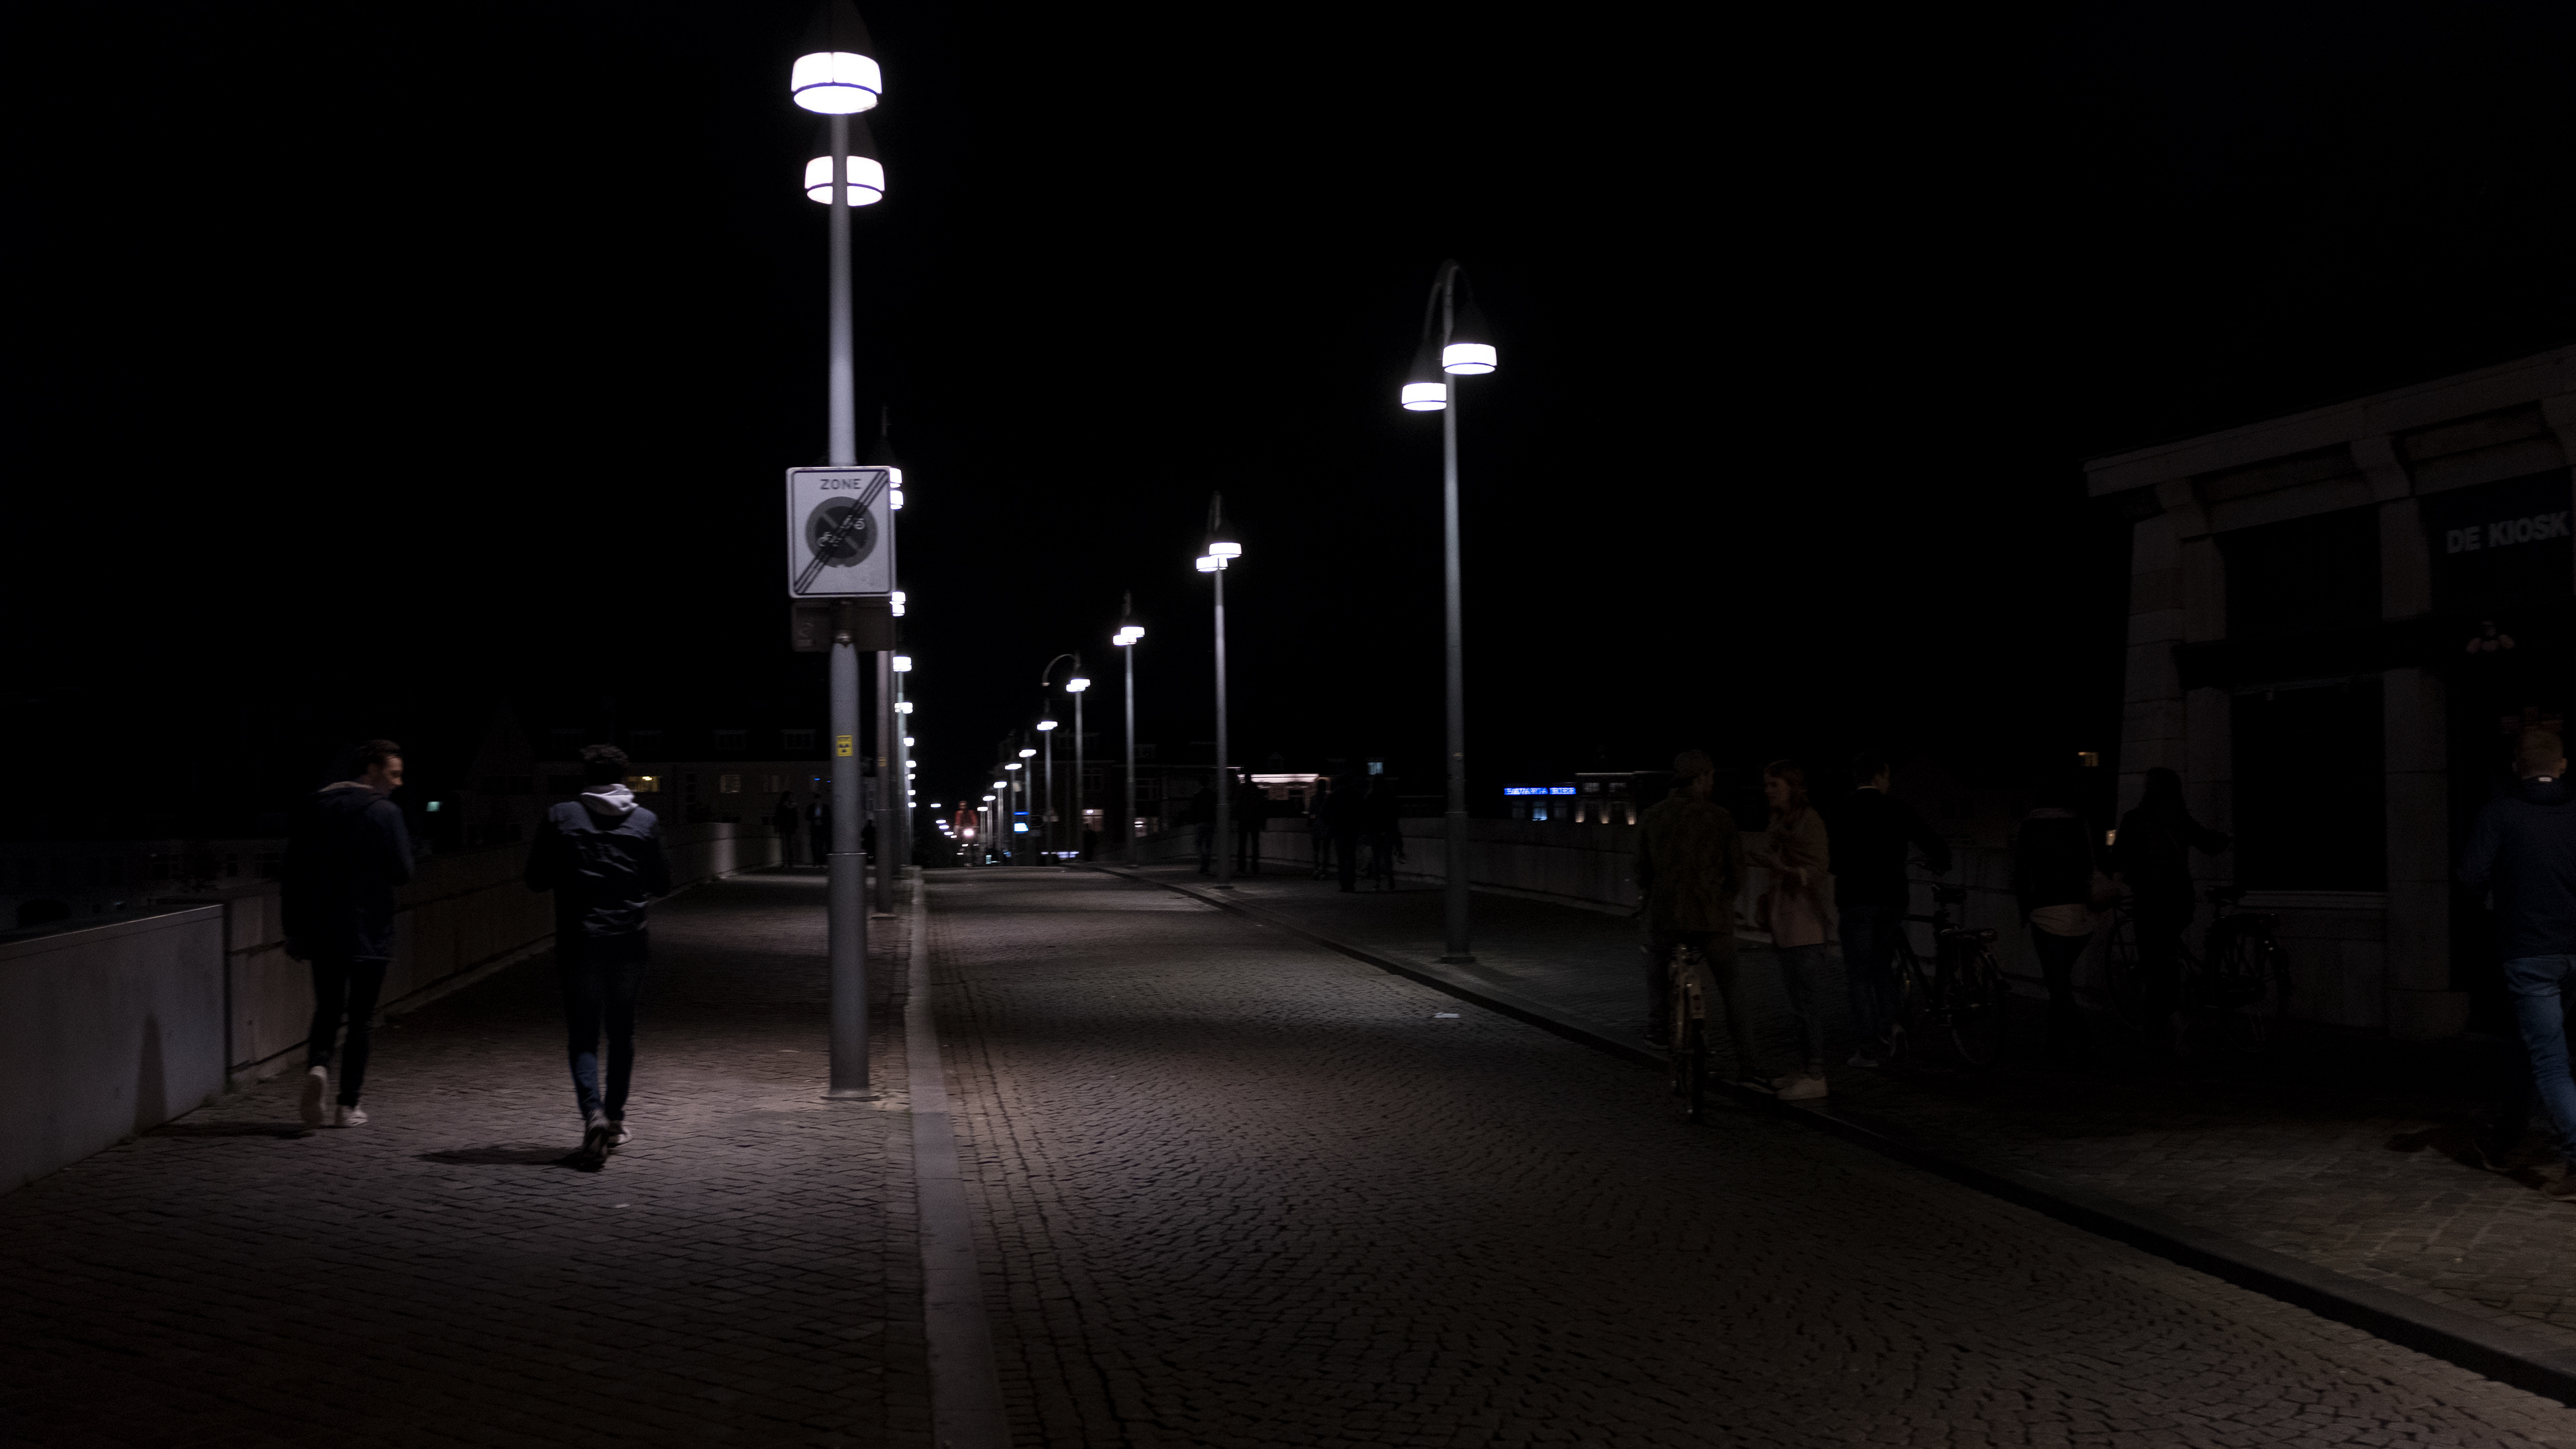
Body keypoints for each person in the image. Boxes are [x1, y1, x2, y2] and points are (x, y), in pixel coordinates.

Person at [525, 744, 672, 1168]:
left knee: (584, 1034)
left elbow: (535, 879)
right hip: (629, 941)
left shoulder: (561, 817)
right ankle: (616, 1119)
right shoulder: (645, 821)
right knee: (622, 1032)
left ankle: (593, 1113)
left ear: (585, 777)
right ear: (624, 778)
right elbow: (662, 883)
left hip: (580, 940)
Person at [2456, 728, 2576, 1202]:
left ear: (2515, 768)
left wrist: (2504, 894)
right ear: (2561, 766)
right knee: (2534, 1045)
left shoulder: (2501, 813)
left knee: (2549, 1059)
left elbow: (2470, 876)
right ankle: (2505, 1136)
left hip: (2530, 951)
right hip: (2574, 949)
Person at [280, 739, 416, 1130]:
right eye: (393, 774)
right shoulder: (385, 812)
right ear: (370, 770)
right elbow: (403, 872)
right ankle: (348, 1105)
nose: (398, 783)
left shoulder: (315, 808)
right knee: (361, 1019)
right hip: (369, 930)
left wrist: (294, 930)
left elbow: (293, 875)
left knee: (327, 1008)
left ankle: (319, 1066)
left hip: (322, 929)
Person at [1635, 750, 1765, 1087]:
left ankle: (1658, 1027)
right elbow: (1737, 873)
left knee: (1655, 957)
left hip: (1665, 916)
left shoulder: (1652, 816)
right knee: (1732, 987)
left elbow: (1641, 871)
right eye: (1710, 777)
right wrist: (1721, 901)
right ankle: (1749, 1066)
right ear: (1701, 778)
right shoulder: (1720, 818)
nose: (1712, 784)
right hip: (1711, 918)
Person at [1829, 750, 1951, 1066]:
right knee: (1882, 967)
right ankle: (1893, 1025)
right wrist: (1941, 862)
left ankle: (1868, 1047)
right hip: (1892, 899)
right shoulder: (1898, 809)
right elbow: (1935, 845)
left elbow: (1831, 860)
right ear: (1880, 776)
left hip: (1856, 900)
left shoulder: (1841, 811)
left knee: (1858, 974)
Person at [2112, 766, 2231, 1057]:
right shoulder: (2180, 818)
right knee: (2161, 958)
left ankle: (2176, 1023)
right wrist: (2225, 838)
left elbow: (2117, 859)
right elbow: (2209, 844)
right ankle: (2151, 1031)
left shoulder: (2134, 819)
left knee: (2155, 964)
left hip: (2151, 900)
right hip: (2180, 899)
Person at [1748, 759, 1833, 1099]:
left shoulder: (1809, 823)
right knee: (1797, 1004)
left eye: (1775, 785)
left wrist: (1779, 866)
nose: (1768, 791)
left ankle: (1816, 1075)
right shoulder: (1779, 823)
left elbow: (1817, 870)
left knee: (1808, 1003)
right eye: (1766, 784)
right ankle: (1804, 1067)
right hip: (1786, 923)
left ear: (1792, 787)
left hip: (1806, 924)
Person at [2014, 773, 2105, 1064]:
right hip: (2082, 913)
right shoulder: (2080, 824)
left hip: (2047, 912)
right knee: (2060, 980)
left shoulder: (2030, 827)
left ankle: (2082, 1040)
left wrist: (2024, 909)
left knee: (2057, 984)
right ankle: (2055, 1046)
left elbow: (2020, 872)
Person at [1364, 777, 1403, 890]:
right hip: (1389, 829)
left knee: (1376, 857)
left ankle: (1377, 881)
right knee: (1387, 857)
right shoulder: (1390, 796)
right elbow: (1396, 813)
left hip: (1375, 831)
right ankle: (1390, 879)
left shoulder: (1370, 797)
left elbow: (1366, 815)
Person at [1330, 775, 1367, 892]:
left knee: (1341, 859)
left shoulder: (1334, 795)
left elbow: (1325, 813)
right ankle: (1351, 883)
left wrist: (1333, 825)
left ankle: (1344, 884)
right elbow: (1363, 812)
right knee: (1351, 856)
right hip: (1352, 830)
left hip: (1339, 831)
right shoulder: (1356, 794)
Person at [1232, 775, 1268, 875]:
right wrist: (1263, 823)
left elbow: (1237, 806)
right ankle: (1255, 866)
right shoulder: (1257, 791)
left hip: (1243, 821)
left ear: (1245, 779)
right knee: (1255, 844)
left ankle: (1242, 867)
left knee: (1242, 844)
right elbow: (1263, 807)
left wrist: (1237, 818)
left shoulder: (1241, 790)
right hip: (1255, 821)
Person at [1185, 782, 1218, 875]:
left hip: (1200, 822)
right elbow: (1215, 808)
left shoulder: (1197, 795)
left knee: (1199, 844)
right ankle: (1206, 865)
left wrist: (1193, 820)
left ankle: (1203, 863)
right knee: (1208, 845)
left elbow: (1193, 809)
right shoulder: (1213, 794)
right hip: (1210, 822)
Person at [1307, 779, 1336, 879]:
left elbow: (1311, 813)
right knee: (1326, 850)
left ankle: (1316, 869)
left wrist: (1310, 823)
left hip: (1316, 826)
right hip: (1327, 826)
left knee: (1316, 849)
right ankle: (1324, 870)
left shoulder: (1314, 798)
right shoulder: (1328, 798)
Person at [770, 792, 800, 865]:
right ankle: (787, 861)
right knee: (787, 845)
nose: (791, 798)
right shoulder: (783, 806)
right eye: (790, 797)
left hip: (787, 827)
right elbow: (778, 816)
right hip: (785, 827)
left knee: (788, 845)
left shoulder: (785, 806)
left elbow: (778, 816)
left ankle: (788, 861)